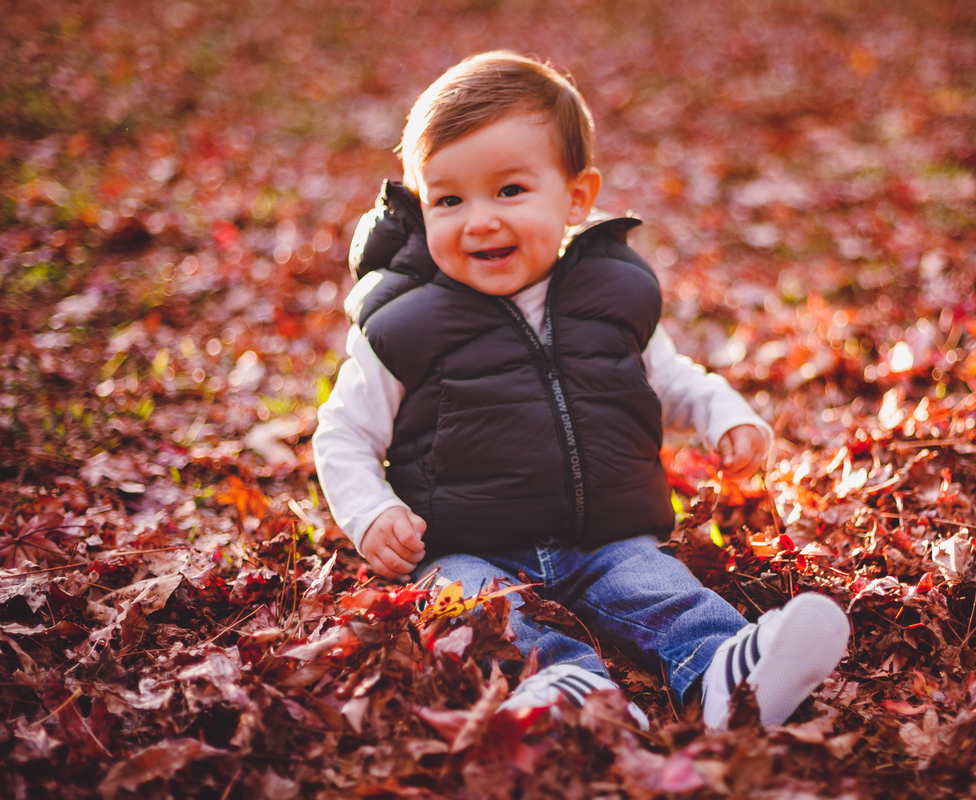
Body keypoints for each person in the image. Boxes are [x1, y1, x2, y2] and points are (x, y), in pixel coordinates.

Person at [313, 51, 849, 730]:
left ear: (576, 197)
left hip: (601, 535)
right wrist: (371, 514)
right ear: (422, 208)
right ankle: (561, 687)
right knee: (478, 610)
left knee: (660, 590)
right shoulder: (404, 324)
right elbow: (344, 433)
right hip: (461, 543)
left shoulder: (609, 295)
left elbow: (670, 377)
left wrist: (726, 417)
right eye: (449, 200)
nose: (478, 220)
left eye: (509, 191)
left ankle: (726, 671)